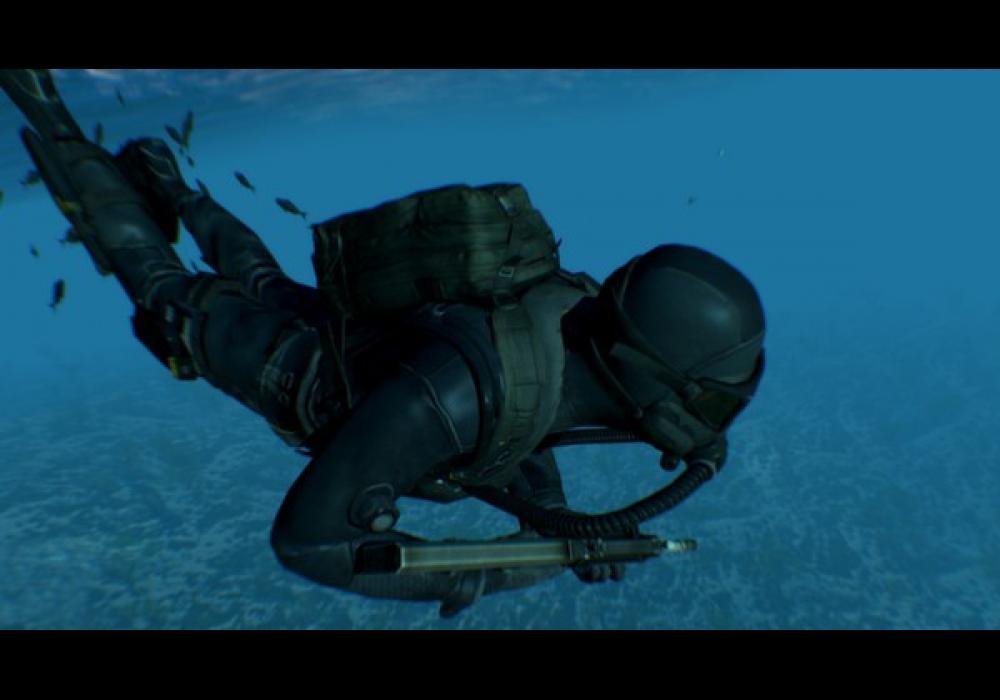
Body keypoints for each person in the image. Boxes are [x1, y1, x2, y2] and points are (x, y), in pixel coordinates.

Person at [1, 69, 766, 617]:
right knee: (166, 288)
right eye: (705, 400)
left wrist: (557, 524)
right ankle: (53, 118)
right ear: (636, 369)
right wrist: (478, 576)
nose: (707, 424)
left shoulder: (564, 320)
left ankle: (175, 189)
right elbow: (309, 543)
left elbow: (533, 412)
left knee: (259, 276)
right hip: (291, 372)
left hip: (348, 338)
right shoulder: (455, 394)